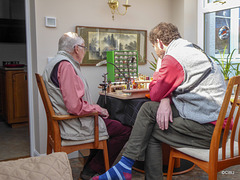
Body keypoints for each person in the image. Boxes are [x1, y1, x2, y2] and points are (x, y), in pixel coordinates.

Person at [92, 22, 232, 180]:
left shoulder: (174, 58)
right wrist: (165, 100)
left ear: (159, 42)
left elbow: (155, 92)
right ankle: (124, 166)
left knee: (151, 128)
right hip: (214, 121)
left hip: (209, 132)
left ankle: (124, 167)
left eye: (154, 46)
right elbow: (175, 90)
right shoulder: (193, 50)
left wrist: (159, 68)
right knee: (149, 110)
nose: (155, 50)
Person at [42, 32, 132, 180]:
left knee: (113, 124)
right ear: (77, 49)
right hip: (73, 124)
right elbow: (74, 107)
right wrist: (97, 109)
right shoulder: (66, 66)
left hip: (70, 121)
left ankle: (91, 168)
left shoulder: (56, 62)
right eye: (83, 47)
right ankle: (92, 170)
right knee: (124, 130)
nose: (84, 51)